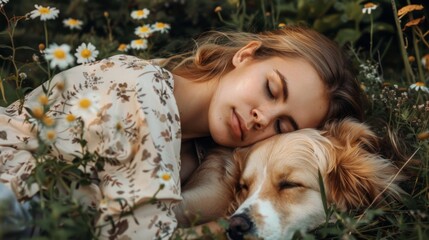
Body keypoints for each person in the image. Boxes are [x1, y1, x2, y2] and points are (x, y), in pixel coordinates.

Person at [0, 25, 363, 239]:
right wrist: (223, 224)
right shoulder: (142, 88)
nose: (260, 117)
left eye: (281, 126)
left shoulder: (198, 152)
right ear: (246, 55)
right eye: (271, 88)